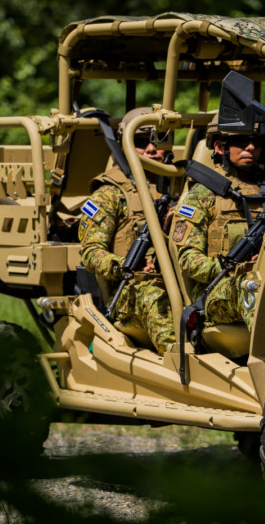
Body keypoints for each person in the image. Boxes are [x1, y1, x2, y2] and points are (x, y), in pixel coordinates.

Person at [170, 128, 265, 333]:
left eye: (256, 142)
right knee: (253, 292)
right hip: (218, 288)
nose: (251, 147)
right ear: (220, 147)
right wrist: (237, 267)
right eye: (241, 141)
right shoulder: (202, 194)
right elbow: (188, 261)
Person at [79, 110, 175, 355]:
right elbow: (91, 253)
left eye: (159, 140)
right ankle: (183, 367)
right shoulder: (110, 193)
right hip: (133, 288)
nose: (152, 149)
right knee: (155, 298)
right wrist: (128, 266)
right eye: (141, 143)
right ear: (124, 146)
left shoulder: (184, 184)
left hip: (179, 280)